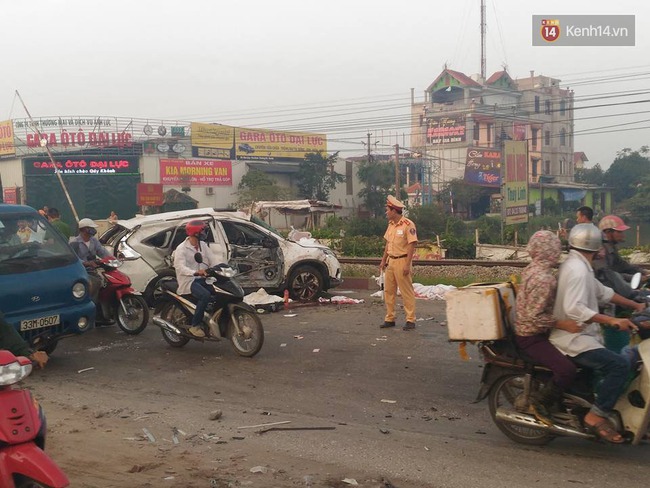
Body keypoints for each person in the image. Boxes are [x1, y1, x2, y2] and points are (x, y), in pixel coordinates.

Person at [549, 223, 646, 443]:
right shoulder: (579, 270)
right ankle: (596, 414)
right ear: (595, 247)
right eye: (601, 245)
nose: (603, 249)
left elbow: (603, 292)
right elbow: (575, 308)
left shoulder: (577, 264)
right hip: (572, 338)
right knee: (619, 365)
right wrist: (611, 319)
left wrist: (635, 304)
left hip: (583, 334)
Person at [514, 231, 580, 425]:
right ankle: (540, 403)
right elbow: (535, 318)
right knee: (567, 370)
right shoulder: (544, 279)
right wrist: (564, 324)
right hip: (530, 335)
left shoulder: (533, 269)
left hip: (529, 329)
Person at [378, 195, 418, 331]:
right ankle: (390, 318)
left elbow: (412, 245)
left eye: (387, 210)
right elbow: (388, 243)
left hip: (402, 260)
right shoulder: (391, 225)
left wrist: (407, 264)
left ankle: (410, 320)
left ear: (394, 211)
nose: (386, 212)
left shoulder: (408, 224)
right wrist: (383, 260)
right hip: (391, 261)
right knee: (389, 291)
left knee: (406, 292)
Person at [173, 220, 216, 338]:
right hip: (189, 280)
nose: (205, 232)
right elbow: (180, 267)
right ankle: (195, 325)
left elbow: (213, 259)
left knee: (219, 292)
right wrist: (195, 272)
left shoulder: (203, 245)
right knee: (205, 295)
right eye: (203, 230)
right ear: (195, 232)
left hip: (204, 278)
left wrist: (222, 267)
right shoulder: (181, 248)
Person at [70, 218, 111, 306]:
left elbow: (102, 252)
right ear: (85, 229)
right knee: (95, 282)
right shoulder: (74, 242)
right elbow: (74, 259)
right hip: (81, 272)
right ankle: (91, 305)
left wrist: (113, 259)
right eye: (91, 228)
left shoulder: (94, 241)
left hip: (93, 270)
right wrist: (87, 263)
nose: (94, 230)